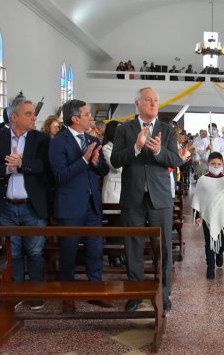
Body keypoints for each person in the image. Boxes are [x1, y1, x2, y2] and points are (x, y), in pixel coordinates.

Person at [111, 87, 179, 312]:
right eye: (148, 100)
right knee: (133, 247)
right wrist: (137, 147)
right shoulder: (125, 129)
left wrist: (159, 151)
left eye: (156, 100)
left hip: (160, 197)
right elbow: (116, 160)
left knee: (163, 248)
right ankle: (135, 294)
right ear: (137, 103)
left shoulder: (166, 129)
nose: (153, 103)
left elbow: (176, 160)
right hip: (133, 196)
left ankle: (164, 292)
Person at [0, 96, 51, 309]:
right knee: (13, 252)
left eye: (33, 113)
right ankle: (17, 292)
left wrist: (22, 164)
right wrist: (6, 169)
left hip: (32, 204)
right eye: (28, 114)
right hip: (6, 205)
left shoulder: (41, 140)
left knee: (35, 251)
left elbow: (45, 167)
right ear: (14, 117)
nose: (34, 117)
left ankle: (36, 293)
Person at [48, 99, 110, 312]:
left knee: (95, 250)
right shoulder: (58, 142)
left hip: (92, 205)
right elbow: (59, 176)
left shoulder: (92, 139)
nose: (90, 117)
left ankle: (95, 292)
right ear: (75, 118)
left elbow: (103, 170)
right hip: (70, 205)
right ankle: (68, 295)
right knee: (68, 252)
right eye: (86, 114)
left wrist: (95, 163)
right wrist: (83, 160)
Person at [192, 152, 224, 279]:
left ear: (222, 165)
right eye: (213, 164)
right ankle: (210, 267)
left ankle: (220, 252)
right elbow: (197, 198)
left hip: (223, 216)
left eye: (219, 164)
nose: (216, 166)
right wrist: (196, 215)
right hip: (208, 216)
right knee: (209, 242)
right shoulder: (202, 180)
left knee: (223, 240)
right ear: (208, 164)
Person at [101, 120, 124, 268]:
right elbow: (117, 167)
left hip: (125, 191)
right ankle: (113, 255)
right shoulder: (106, 148)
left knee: (123, 226)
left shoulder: (123, 148)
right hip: (113, 191)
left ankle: (120, 254)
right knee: (114, 225)